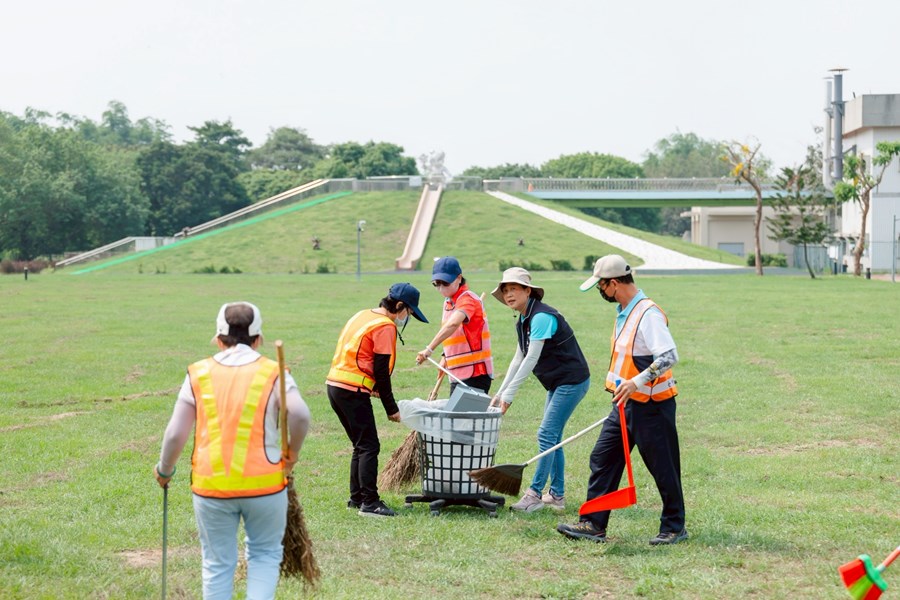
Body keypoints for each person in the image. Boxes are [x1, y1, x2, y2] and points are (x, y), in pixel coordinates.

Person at [153, 302, 311, 600]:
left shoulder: (198, 373)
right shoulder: (273, 371)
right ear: (259, 339)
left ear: (218, 338)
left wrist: (165, 470)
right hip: (265, 485)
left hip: (211, 487)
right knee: (264, 556)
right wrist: (292, 457)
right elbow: (301, 416)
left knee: (217, 564)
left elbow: (176, 433)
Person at [557, 255, 686, 545]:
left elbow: (669, 356)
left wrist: (636, 382)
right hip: (624, 404)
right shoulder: (624, 311)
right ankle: (593, 525)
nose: (599, 293)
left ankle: (674, 527)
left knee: (663, 467)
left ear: (613, 283)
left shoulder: (647, 313)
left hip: (652, 407)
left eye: (600, 287)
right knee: (602, 458)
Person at [489, 267, 591, 513]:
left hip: (572, 381)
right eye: (505, 291)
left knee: (546, 434)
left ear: (528, 290)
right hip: (557, 383)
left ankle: (534, 493)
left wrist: (510, 396)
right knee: (553, 438)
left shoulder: (541, 317)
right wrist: (500, 393)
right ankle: (557, 496)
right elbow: (517, 359)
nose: (509, 295)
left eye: (514, 288)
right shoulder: (523, 320)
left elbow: (531, 358)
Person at [327, 282, 428, 517]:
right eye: (409, 312)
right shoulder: (385, 326)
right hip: (352, 390)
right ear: (400, 306)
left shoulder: (363, 315)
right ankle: (370, 503)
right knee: (370, 446)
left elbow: (359, 355)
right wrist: (391, 408)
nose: (408, 318)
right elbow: (381, 371)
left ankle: (357, 498)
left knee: (360, 445)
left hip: (335, 385)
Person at [415, 256, 493, 394]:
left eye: (445, 283)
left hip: (475, 374)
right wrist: (445, 356)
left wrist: (429, 349)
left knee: (463, 416)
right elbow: (456, 335)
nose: (441, 288)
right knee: (457, 415)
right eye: (436, 284)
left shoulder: (468, 300)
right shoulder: (449, 302)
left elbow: (453, 324)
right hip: (457, 373)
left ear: (458, 278)